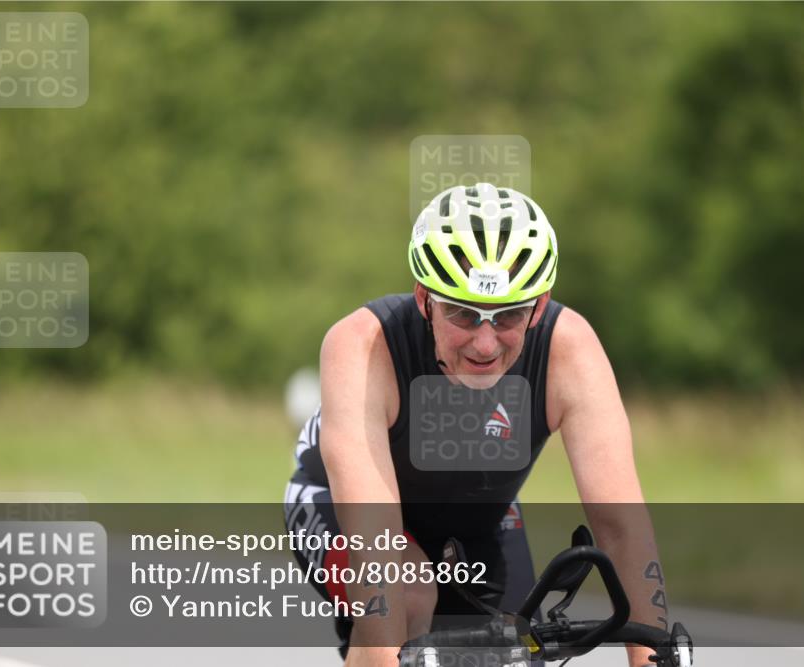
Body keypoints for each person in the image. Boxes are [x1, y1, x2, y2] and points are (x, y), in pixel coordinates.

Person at [284, 183, 667, 667]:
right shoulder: (362, 346)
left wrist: (655, 655)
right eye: (464, 314)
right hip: (346, 512)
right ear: (425, 299)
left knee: (514, 646)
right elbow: (374, 544)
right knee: (411, 596)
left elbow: (621, 526)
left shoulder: (570, 349)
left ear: (540, 307)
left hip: (478, 517)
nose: (485, 345)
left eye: (508, 316)